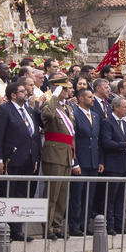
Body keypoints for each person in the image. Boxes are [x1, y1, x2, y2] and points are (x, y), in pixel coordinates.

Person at [0, 76, 41, 242]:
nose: (26, 93)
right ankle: (3, 227)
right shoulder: (4, 110)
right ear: (13, 95)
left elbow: (34, 136)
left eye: (25, 91)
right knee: (8, 193)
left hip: (28, 158)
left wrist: (35, 158)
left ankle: (17, 229)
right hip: (10, 159)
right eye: (22, 91)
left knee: (21, 195)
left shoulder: (29, 111)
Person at [40, 73, 76, 241]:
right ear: (58, 89)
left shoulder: (67, 107)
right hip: (54, 153)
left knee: (62, 193)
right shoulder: (50, 104)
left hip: (67, 153)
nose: (69, 90)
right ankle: (47, 226)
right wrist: (53, 96)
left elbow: (71, 133)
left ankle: (57, 224)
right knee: (52, 193)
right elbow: (47, 115)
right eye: (66, 88)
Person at [100, 95, 126, 234]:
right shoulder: (107, 122)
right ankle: (109, 224)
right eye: (125, 106)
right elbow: (107, 142)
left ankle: (119, 224)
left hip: (124, 164)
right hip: (112, 164)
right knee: (110, 197)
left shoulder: (125, 124)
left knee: (121, 197)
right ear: (115, 107)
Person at [68, 87, 102, 236]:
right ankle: (73, 225)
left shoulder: (95, 116)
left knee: (89, 195)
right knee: (76, 195)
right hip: (80, 160)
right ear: (81, 99)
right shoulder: (74, 114)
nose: (93, 99)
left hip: (93, 161)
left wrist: (100, 160)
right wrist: (74, 162)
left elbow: (98, 140)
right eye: (89, 97)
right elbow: (73, 140)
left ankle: (85, 223)